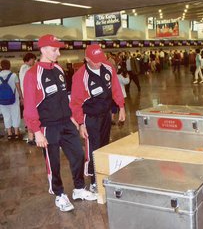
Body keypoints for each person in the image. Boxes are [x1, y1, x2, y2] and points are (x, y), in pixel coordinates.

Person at [23, 34, 96, 212]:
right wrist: (36, 131)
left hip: (66, 123)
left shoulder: (58, 70)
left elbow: (66, 98)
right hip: (48, 127)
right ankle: (59, 194)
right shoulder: (32, 75)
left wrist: (76, 120)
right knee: (53, 163)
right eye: (55, 50)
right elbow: (30, 105)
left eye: (58, 50)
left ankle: (79, 189)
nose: (58, 53)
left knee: (78, 155)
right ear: (43, 50)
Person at [70, 44, 126, 193]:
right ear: (87, 59)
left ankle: (102, 175)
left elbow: (115, 88)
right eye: (95, 60)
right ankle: (94, 181)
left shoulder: (108, 68)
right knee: (93, 150)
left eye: (101, 58)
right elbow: (75, 103)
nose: (99, 62)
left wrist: (121, 107)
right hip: (90, 118)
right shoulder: (80, 76)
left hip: (106, 115)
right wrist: (81, 123)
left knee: (104, 146)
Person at [0, 59, 22, 140]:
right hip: (14, 100)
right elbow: (18, 88)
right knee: (15, 115)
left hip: (2, 100)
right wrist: (21, 98)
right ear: (9, 65)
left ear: (1, 66)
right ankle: (16, 133)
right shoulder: (14, 75)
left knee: (6, 116)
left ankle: (9, 134)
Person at [19, 52, 37, 145]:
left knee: (29, 116)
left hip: (27, 97)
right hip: (30, 96)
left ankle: (31, 137)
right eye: (33, 60)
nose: (34, 62)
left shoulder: (22, 68)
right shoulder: (27, 69)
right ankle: (31, 137)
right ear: (29, 59)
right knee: (32, 116)